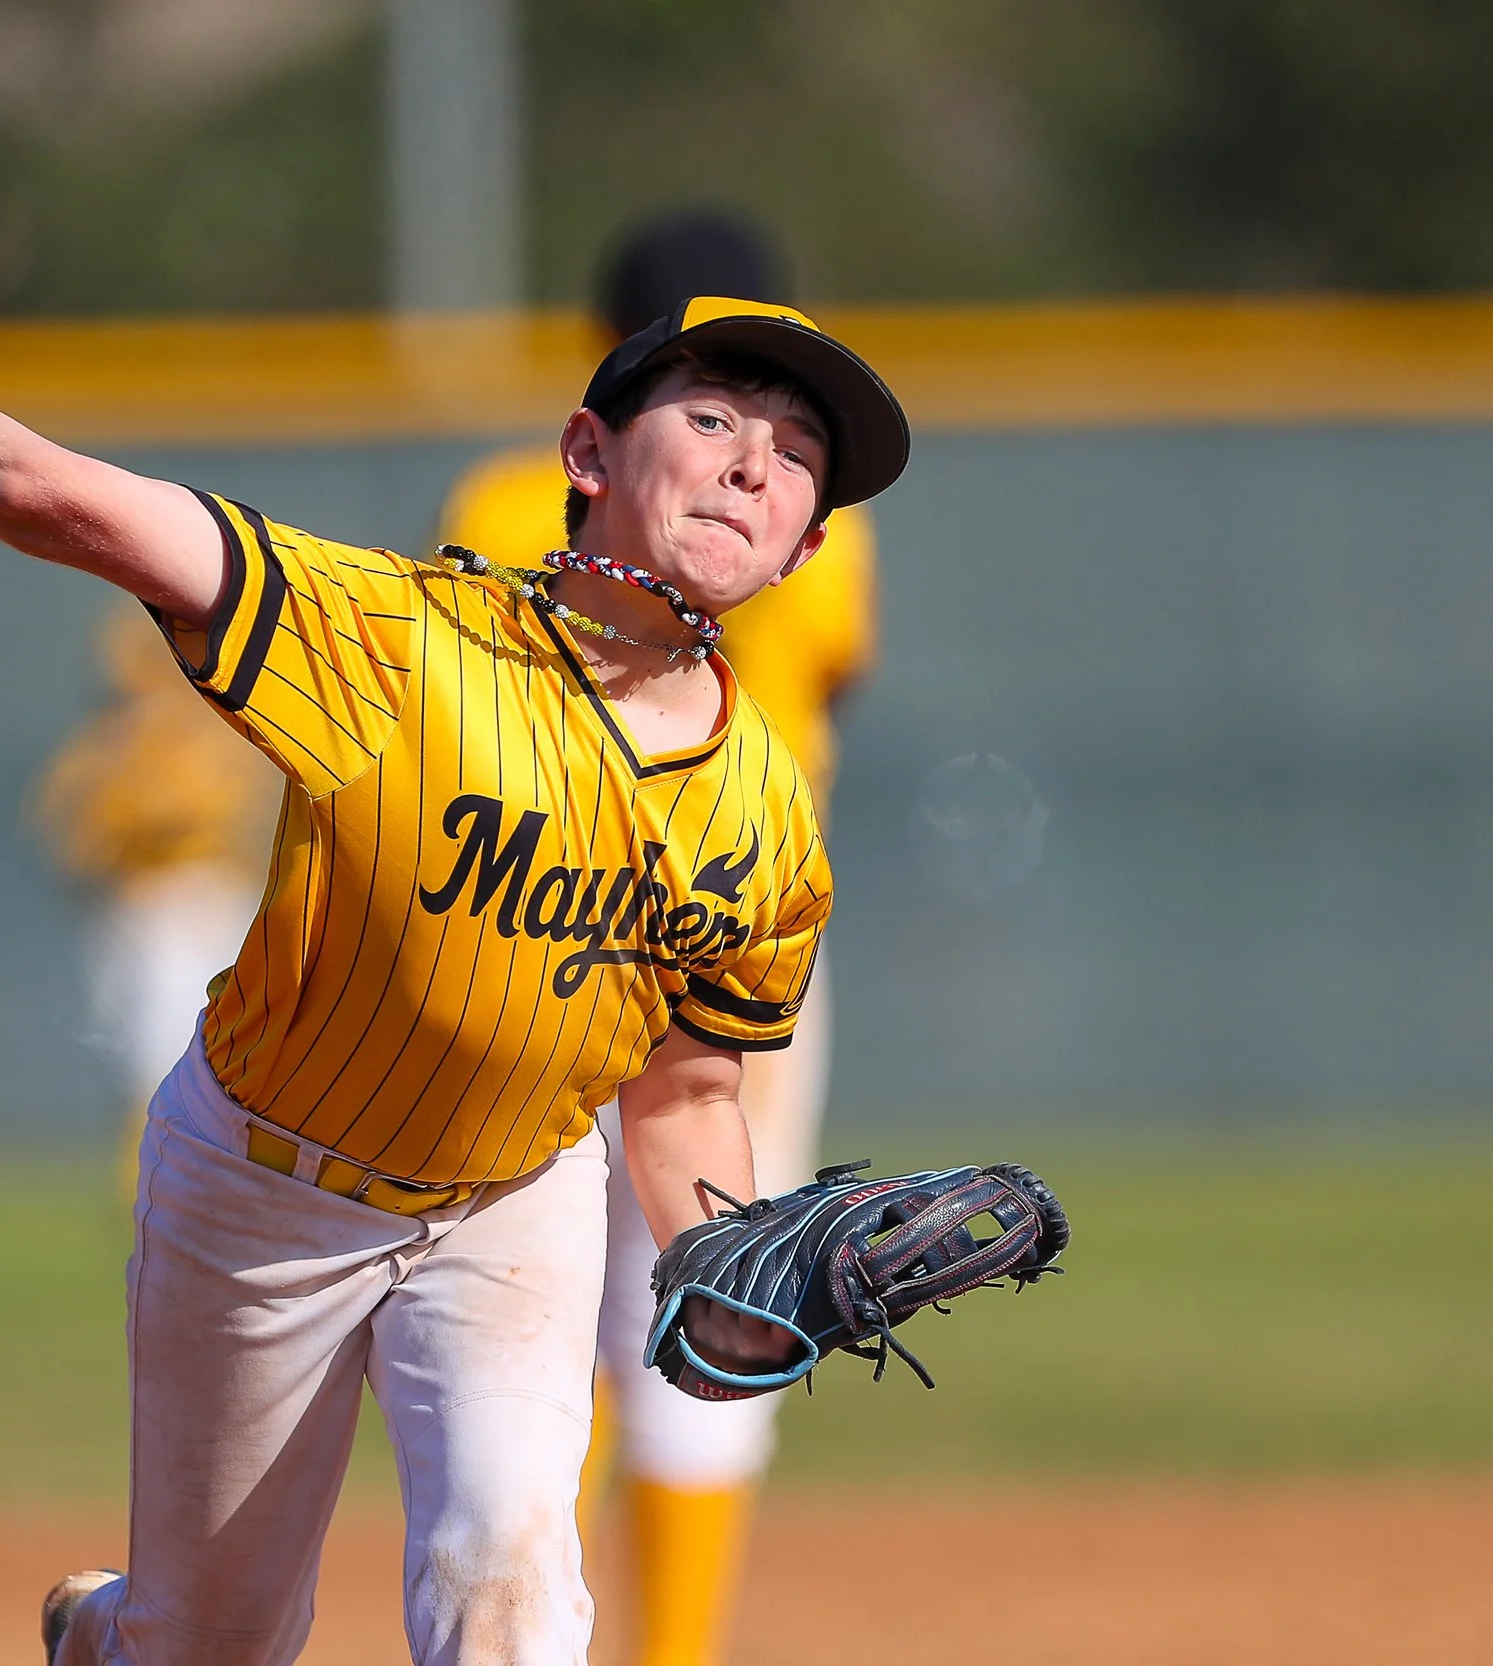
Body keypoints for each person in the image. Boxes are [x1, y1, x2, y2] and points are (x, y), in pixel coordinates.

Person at [0, 272, 910, 1666]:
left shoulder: (767, 820)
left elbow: (686, 1087)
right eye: (717, 414)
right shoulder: (395, 640)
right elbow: (56, 498)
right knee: (213, 1642)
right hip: (261, 1188)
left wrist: (740, 1260)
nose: (752, 463)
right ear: (587, 454)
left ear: (805, 546)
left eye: (797, 457)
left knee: (513, 1600)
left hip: (510, 1199)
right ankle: (107, 1639)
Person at [438, 209, 879, 1666]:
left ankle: (524, 1628)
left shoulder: (511, 501)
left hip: (531, 936)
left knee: (530, 1318)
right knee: (715, 1296)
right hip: (743, 945)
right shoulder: (829, 535)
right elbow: (840, 693)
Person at [31, 605, 277, 1193]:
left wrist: (134, 818)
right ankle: (158, 1183)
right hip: (129, 909)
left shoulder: (208, 734)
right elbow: (67, 835)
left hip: (199, 900)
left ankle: (181, 1184)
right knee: (139, 1057)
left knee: (183, 1055)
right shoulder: (107, 748)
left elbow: (210, 813)